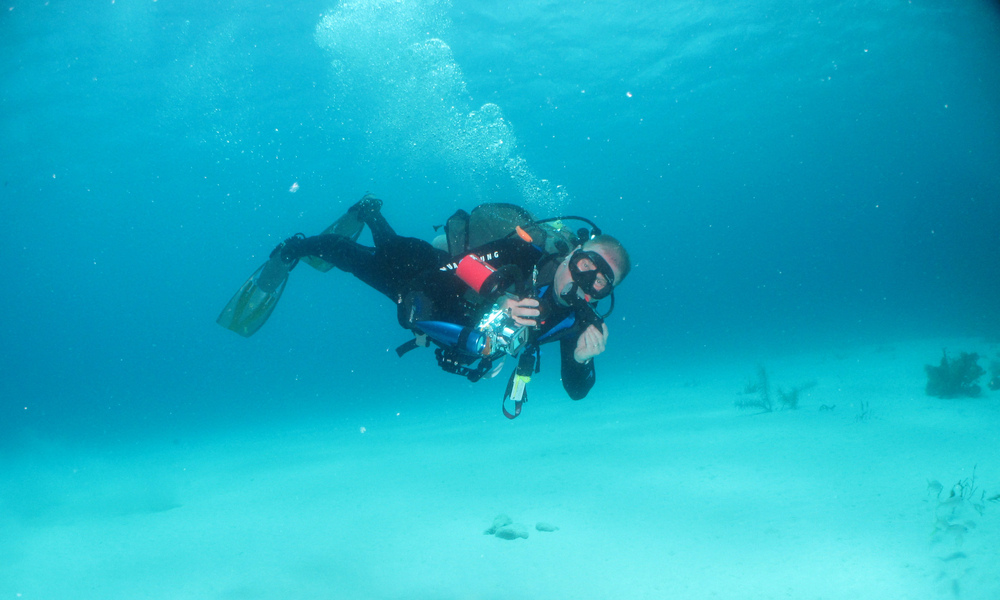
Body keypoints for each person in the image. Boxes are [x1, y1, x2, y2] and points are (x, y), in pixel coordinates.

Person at [218, 195, 631, 417]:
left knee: (385, 245)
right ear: (572, 252)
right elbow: (458, 266)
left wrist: (581, 360)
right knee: (351, 255)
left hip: (442, 318)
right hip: (423, 275)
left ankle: (370, 212)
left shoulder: (579, 320)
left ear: (603, 292)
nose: (586, 280)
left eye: (600, 280)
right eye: (586, 264)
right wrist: (500, 295)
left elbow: (577, 391)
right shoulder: (527, 252)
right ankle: (296, 247)